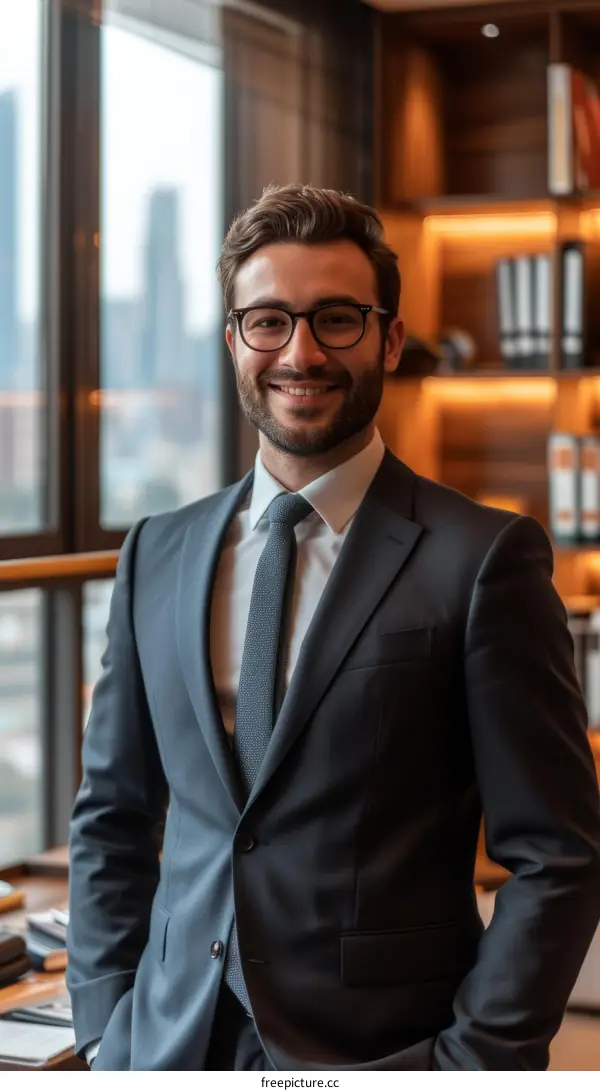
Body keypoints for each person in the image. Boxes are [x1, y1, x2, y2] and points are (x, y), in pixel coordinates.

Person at [67, 184, 600, 1072]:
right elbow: (113, 818)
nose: (301, 352)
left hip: (388, 1052)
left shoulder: (484, 559)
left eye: (337, 319)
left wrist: (474, 1061)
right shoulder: (156, 553)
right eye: (268, 320)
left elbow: (558, 854)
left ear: (389, 338)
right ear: (235, 339)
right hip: (165, 1044)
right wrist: (104, 1025)